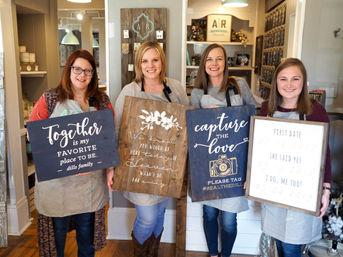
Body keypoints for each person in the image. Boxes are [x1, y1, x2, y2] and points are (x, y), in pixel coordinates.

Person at [29, 49, 114, 257]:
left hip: (89, 185)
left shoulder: (101, 101)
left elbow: (110, 138)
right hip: (58, 185)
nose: (82, 75)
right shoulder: (50, 99)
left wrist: (109, 169)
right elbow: (34, 136)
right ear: (68, 70)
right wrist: (69, 161)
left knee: (86, 236)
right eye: (77, 69)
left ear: (93, 75)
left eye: (88, 71)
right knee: (57, 234)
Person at [107, 40, 189, 257]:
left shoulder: (176, 88)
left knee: (160, 213)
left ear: (162, 62)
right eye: (145, 61)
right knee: (148, 217)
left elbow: (187, 122)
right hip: (138, 168)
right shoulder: (129, 90)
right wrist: (112, 167)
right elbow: (116, 130)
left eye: (154, 59)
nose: (150, 65)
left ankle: (152, 253)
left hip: (166, 167)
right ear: (138, 64)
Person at [259, 58, 331, 257]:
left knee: (291, 247)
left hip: (302, 192)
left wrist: (325, 189)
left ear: (303, 82)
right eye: (283, 79)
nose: (289, 85)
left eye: (295, 79)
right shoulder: (266, 110)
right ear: (276, 83)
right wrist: (252, 178)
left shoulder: (316, 111)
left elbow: (326, 154)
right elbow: (258, 151)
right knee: (279, 243)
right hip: (274, 190)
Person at [190, 43, 256, 257]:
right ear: (203, 64)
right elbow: (191, 128)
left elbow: (253, 118)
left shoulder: (239, 85)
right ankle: (212, 253)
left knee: (228, 220)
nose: (214, 63)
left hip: (235, 163)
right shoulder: (198, 92)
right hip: (207, 165)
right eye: (209, 59)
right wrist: (204, 116)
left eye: (219, 58)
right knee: (209, 214)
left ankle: (225, 255)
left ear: (225, 62)